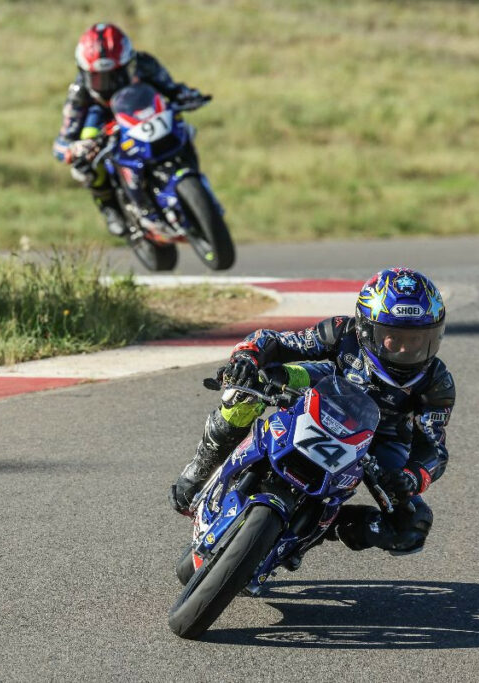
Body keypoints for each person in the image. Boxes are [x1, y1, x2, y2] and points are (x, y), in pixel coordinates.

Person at [169, 267, 455, 562]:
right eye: (394, 338)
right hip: (328, 390)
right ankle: (205, 463)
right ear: (365, 328)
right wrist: (247, 357)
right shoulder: (342, 332)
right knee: (254, 382)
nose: (407, 349)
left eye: (419, 340)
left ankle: (319, 527)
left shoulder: (437, 382)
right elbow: (276, 342)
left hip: (382, 440)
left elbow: (433, 446)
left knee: (412, 528)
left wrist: (412, 476)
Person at [52, 22, 206, 237]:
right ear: (84, 73)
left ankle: (190, 175)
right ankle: (109, 206)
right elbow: (61, 143)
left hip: (140, 107)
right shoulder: (79, 94)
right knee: (83, 164)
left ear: (129, 63)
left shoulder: (146, 65)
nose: (107, 84)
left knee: (180, 123)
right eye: (98, 78)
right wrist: (76, 148)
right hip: (103, 122)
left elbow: (171, 88)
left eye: (116, 75)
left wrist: (188, 96)